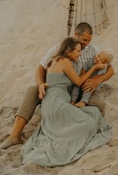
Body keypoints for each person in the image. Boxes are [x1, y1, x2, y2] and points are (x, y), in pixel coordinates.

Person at [0, 22, 114, 149]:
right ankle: (14, 135)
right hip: (60, 87)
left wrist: (99, 80)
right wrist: (41, 84)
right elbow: (40, 68)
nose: (86, 44)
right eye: (84, 40)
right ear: (76, 34)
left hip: (82, 88)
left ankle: (72, 126)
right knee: (32, 91)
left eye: (89, 40)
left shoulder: (94, 51)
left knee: (98, 105)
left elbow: (111, 70)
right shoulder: (58, 48)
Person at [21, 37, 112, 167]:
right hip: (57, 103)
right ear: (69, 51)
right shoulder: (64, 61)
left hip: (53, 101)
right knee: (90, 123)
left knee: (93, 112)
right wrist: (94, 68)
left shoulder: (55, 60)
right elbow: (79, 82)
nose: (80, 54)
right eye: (78, 51)